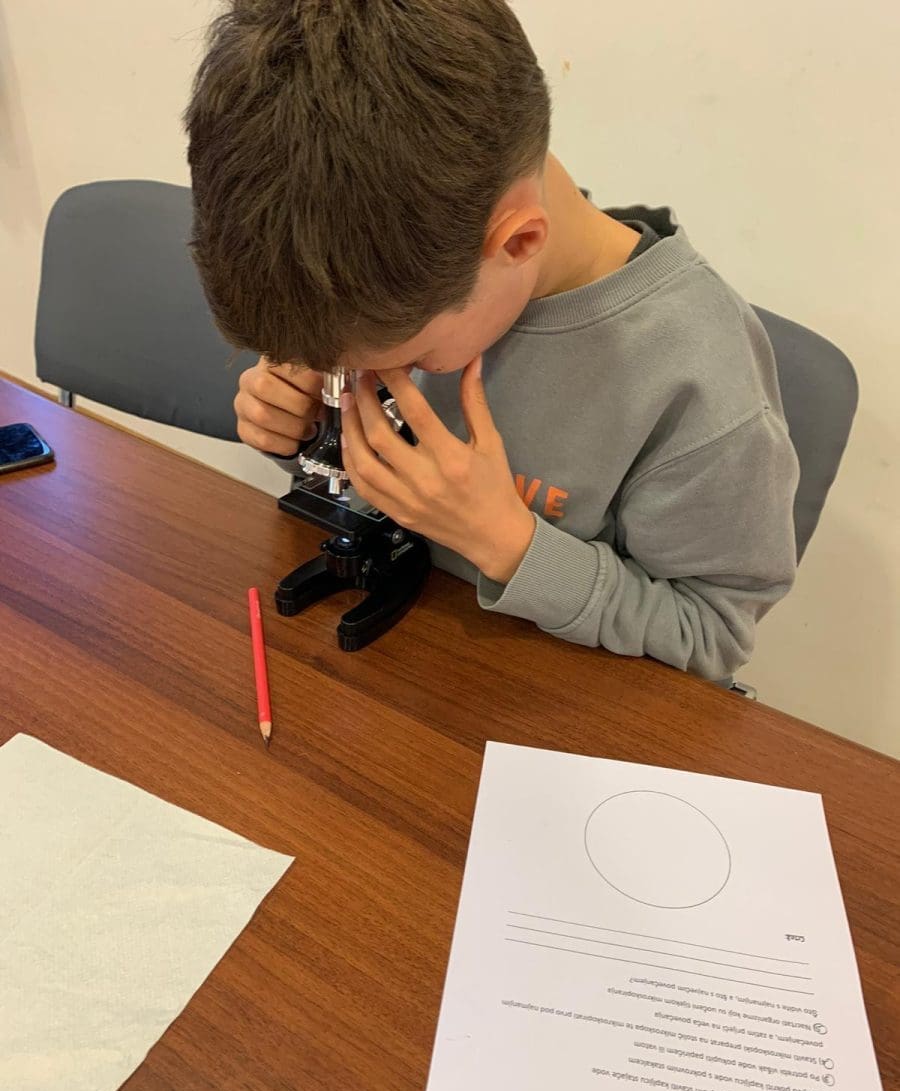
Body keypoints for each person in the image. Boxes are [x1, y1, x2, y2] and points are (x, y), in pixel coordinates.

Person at [185, 0, 799, 681]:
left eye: (404, 359)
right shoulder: (418, 272)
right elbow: (381, 497)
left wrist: (509, 544)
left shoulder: (696, 380)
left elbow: (711, 635)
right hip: (405, 675)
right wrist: (308, 434)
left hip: (552, 710)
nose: (366, 376)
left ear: (519, 242)